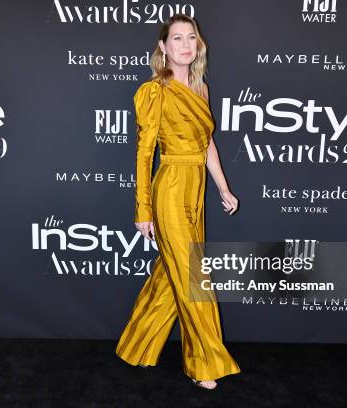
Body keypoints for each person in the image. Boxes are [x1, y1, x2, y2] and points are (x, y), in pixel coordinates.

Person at [115, 14, 242, 390]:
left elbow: (206, 145)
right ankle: (205, 363)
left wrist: (223, 188)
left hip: (196, 187)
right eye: (177, 38)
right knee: (193, 276)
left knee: (172, 275)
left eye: (191, 38)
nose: (185, 44)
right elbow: (144, 153)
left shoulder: (201, 89)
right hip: (169, 186)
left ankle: (136, 345)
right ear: (163, 47)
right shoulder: (154, 91)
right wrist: (142, 209)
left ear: (197, 45)